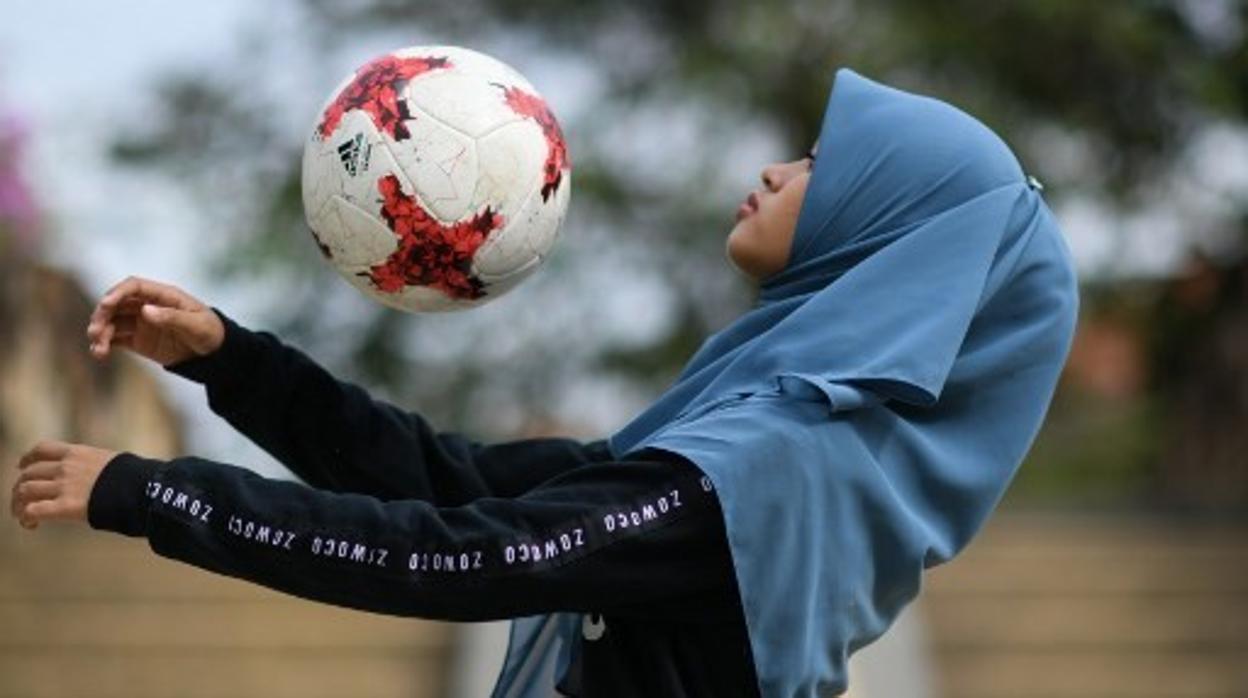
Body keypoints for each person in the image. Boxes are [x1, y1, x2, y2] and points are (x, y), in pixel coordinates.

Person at [9, 68, 1078, 697]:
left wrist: (159, 492)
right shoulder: (759, 438)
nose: (773, 171)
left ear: (881, 231)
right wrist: (232, 360)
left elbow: (465, 557)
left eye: (818, 166)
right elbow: (455, 480)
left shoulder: (776, 468)